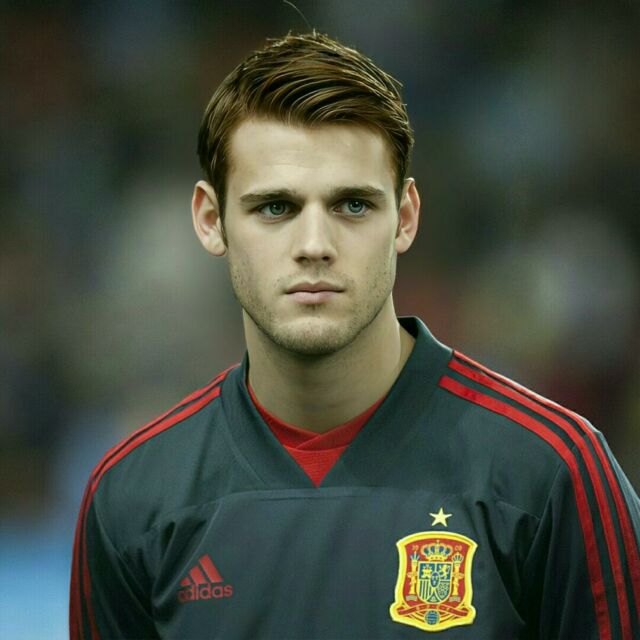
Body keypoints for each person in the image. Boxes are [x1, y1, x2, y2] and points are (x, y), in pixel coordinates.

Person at [70, 32, 640, 640]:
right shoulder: (133, 500)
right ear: (212, 221)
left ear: (406, 217)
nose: (315, 245)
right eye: (275, 208)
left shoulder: (553, 474)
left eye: (353, 206)